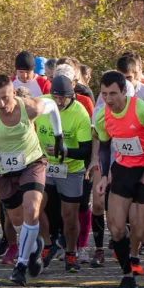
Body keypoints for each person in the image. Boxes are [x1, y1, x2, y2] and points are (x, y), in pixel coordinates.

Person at [0, 74, 65, 286]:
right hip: (3, 170)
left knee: (32, 208)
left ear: (13, 92)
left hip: (32, 162)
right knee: (17, 220)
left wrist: (59, 137)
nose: (1, 104)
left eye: (5, 97)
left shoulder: (29, 107)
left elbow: (52, 106)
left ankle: (20, 265)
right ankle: (32, 250)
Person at [94, 70, 144, 288]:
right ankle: (128, 277)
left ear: (124, 91)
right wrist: (105, 175)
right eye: (104, 94)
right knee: (116, 228)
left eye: (113, 93)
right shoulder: (101, 115)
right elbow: (105, 147)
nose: (109, 99)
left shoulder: (142, 109)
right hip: (123, 170)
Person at [35, 75, 93, 273]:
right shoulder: (42, 103)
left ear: (72, 97)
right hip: (45, 166)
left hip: (71, 168)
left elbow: (86, 150)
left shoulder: (80, 113)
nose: (58, 102)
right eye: (55, 97)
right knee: (36, 206)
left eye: (63, 99)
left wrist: (65, 151)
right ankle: (48, 244)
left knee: (69, 216)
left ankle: (70, 251)